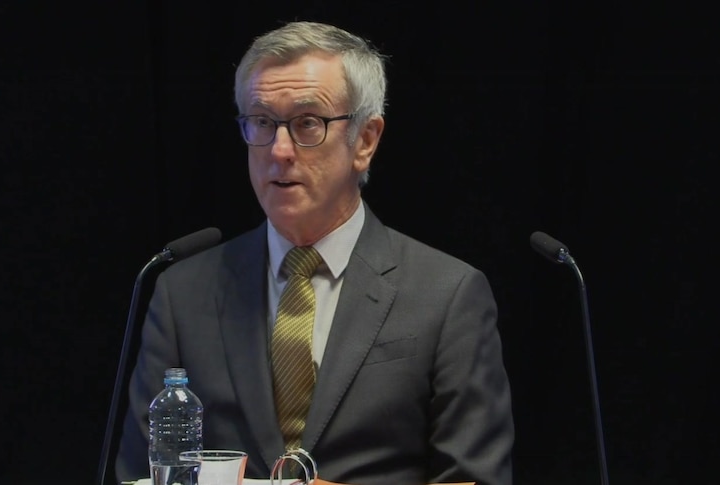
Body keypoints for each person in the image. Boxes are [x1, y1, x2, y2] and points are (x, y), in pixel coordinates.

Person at [115, 20, 514, 485]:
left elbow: (476, 479)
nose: (279, 150)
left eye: (308, 123)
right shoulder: (182, 292)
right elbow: (141, 473)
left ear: (365, 140)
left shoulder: (447, 294)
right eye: (262, 122)